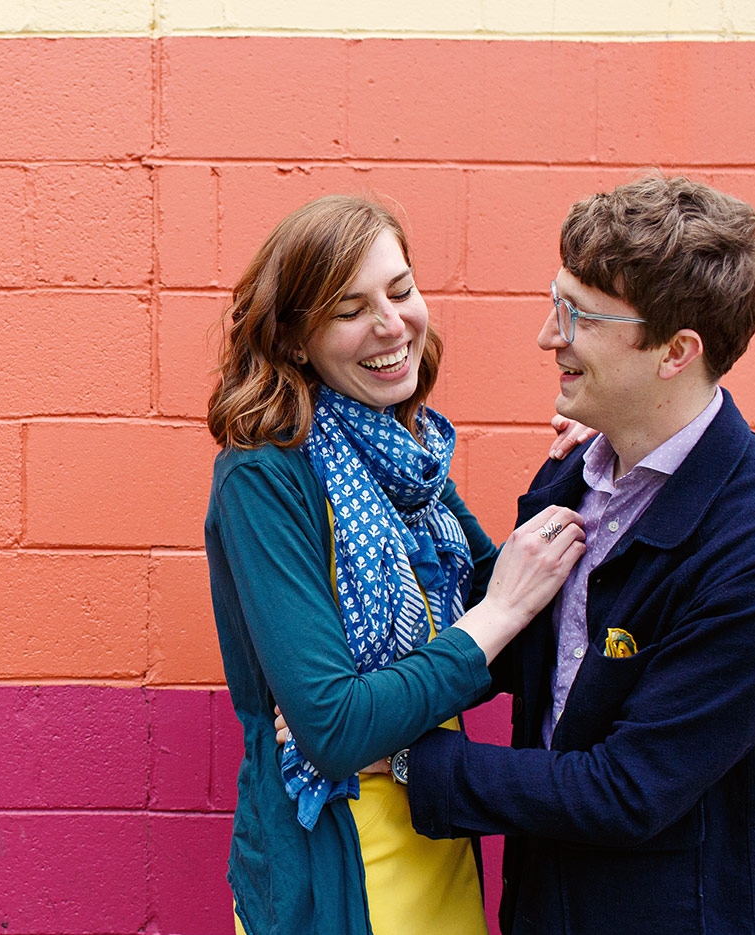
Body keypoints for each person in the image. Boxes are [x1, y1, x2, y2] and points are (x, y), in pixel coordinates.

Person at [394, 176, 755, 935]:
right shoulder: (573, 476)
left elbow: (631, 788)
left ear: (676, 352)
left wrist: (401, 762)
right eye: (557, 303)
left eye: (578, 316)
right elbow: (514, 651)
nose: (548, 337)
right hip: (541, 907)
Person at [205, 194, 587, 935]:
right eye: (350, 310)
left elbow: (506, 625)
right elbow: (337, 729)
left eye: (401, 290)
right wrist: (497, 615)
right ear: (295, 341)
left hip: (433, 839)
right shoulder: (265, 476)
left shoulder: (403, 455)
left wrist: (588, 465)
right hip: (336, 867)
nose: (391, 325)